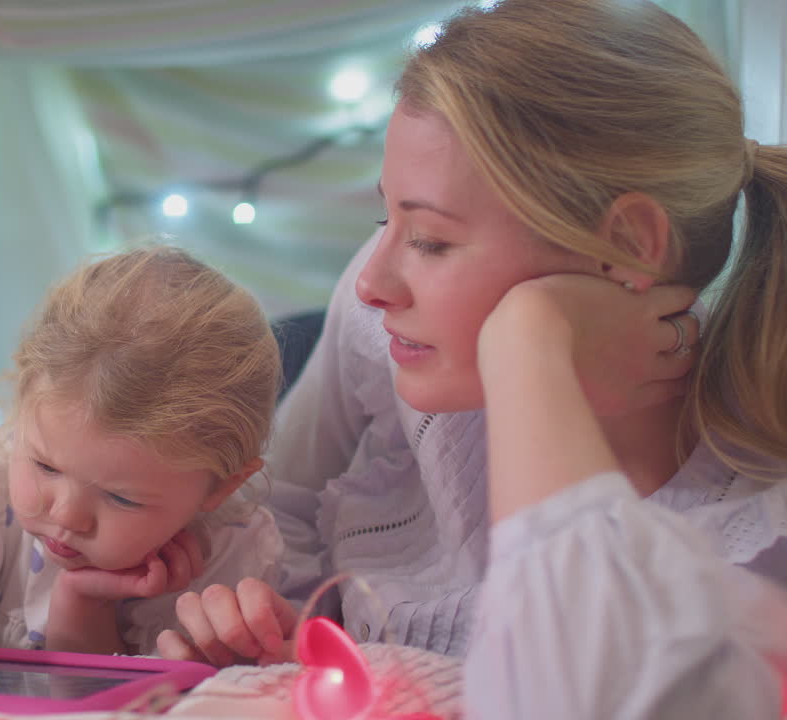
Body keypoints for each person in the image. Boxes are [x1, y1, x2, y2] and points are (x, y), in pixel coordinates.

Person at [157, 0, 787, 715]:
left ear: (632, 246)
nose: (371, 282)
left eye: (430, 240)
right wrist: (279, 631)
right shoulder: (386, 334)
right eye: (383, 217)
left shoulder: (752, 535)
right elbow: (278, 508)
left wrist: (531, 341)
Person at [0, 245, 284, 668]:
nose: (67, 516)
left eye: (121, 498)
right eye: (46, 466)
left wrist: (81, 600)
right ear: (23, 403)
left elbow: (88, 706)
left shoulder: (222, 566)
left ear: (222, 486)